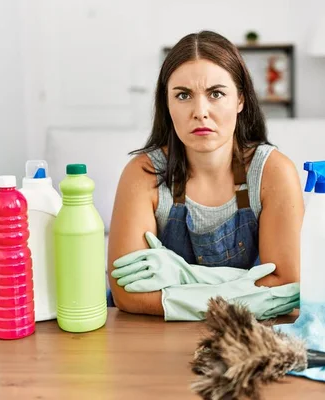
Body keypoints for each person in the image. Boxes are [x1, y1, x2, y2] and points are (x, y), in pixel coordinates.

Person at [106, 31, 304, 320]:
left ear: (240, 100)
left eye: (216, 93)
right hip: (154, 338)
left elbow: (284, 284)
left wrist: (182, 277)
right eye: (183, 95)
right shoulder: (143, 173)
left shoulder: (273, 173)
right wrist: (243, 293)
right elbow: (127, 294)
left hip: (243, 339)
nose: (200, 112)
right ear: (167, 103)